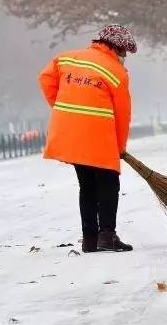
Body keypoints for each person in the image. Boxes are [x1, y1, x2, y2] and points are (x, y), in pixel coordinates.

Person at [38, 24, 137, 253]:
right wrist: (120, 147)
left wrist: (63, 108)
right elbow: (122, 115)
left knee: (87, 186)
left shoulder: (66, 59)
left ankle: (90, 239)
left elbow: (45, 79)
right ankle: (107, 236)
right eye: (124, 52)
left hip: (70, 134)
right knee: (109, 184)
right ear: (115, 47)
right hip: (98, 137)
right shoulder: (116, 73)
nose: (124, 58)